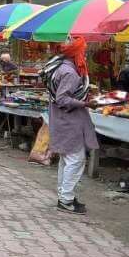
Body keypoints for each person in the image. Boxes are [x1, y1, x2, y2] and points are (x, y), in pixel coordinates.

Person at [47, 38, 99, 215]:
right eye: (82, 52)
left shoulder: (59, 67)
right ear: (75, 53)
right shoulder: (70, 72)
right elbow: (62, 98)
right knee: (76, 160)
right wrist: (86, 104)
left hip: (62, 119)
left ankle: (64, 195)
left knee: (66, 159)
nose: (83, 56)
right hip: (68, 121)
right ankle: (66, 199)